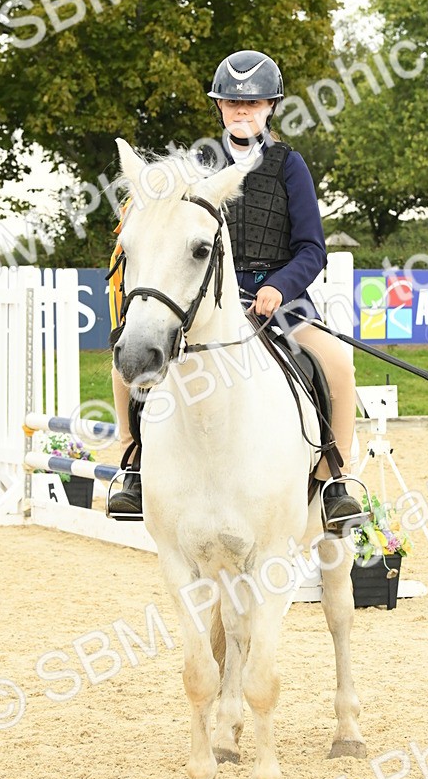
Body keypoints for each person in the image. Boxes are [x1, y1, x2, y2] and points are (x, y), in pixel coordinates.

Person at [108, 49, 362, 533]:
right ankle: (134, 461)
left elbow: (312, 249)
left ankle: (336, 480)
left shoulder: (291, 166)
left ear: (270, 108)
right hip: (203, 299)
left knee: (337, 362)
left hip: (278, 303)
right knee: (130, 358)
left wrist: (279, 288)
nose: (241, 112)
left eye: (253, 104)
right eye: (231, 104)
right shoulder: (197, 165)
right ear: (220, 108)